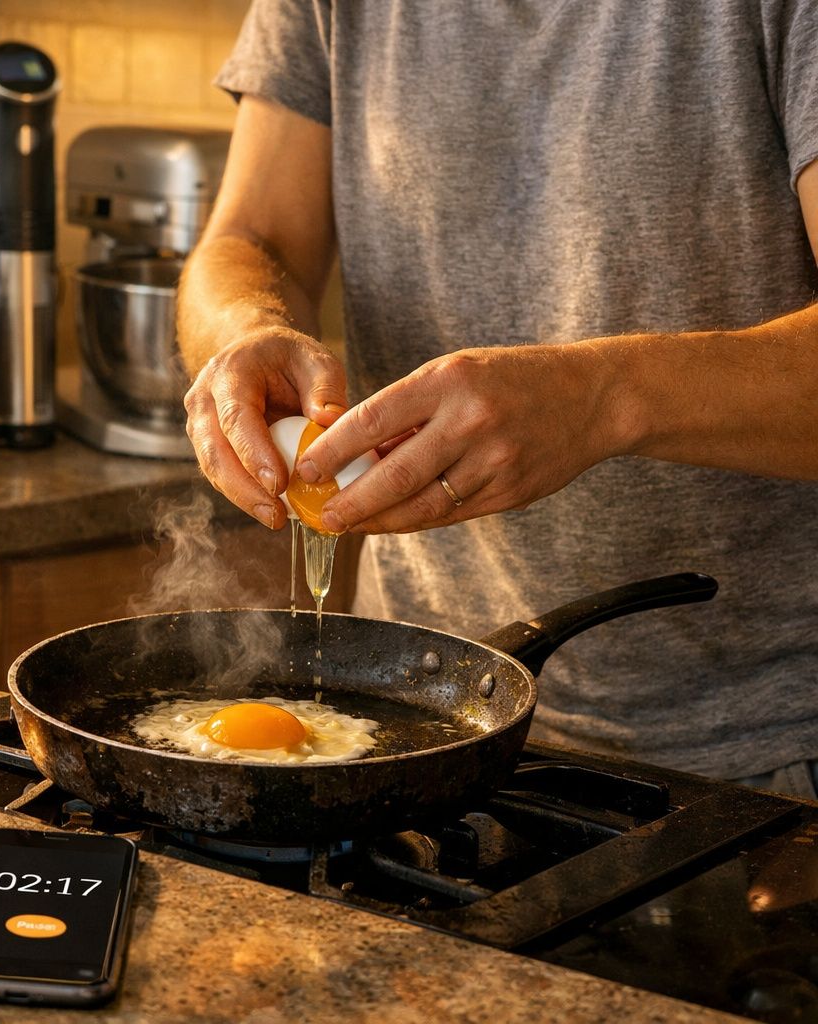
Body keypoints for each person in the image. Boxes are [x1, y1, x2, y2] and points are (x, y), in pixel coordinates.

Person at [178, 2, 818, 796]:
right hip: (414, 715)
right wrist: (245, 329)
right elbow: (252, 238)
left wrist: (603, 398)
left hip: (756, 755)